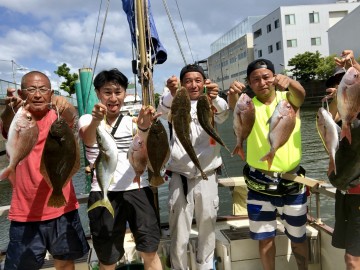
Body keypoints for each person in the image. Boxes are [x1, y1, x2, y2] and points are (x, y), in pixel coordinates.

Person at [0, 71, 90, 270]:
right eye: (31, 89)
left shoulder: (58, 119)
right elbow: (6, 125)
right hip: (25, 212)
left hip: (63, 209)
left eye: (43, 89)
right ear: (22, 94)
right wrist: (8, 109)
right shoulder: (18, 118)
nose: (38, 94)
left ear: (51, 93)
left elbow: (73, 120)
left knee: (66, 264)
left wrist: (66, 107)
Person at [227, 59, 308, 270]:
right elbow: (232, 104)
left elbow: (301, 94)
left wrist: (290, 82)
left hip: (292, 181)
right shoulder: (247, 105)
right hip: (258, 183)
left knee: (299, 238)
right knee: (265, 239)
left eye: (266, 77)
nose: (262, 82)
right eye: (255, 79)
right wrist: (233, 93)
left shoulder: (288, 100)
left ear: (274, 77)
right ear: (249, 83)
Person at [78, 68, 162, 270]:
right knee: (108, 258)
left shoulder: (132, 122)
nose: (113, 98)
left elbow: (145, 152)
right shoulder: (88, 120)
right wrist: (97, 120)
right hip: (103, 191)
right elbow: (88, 137)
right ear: (98, 93)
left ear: (125, 93)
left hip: (138, 189)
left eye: (118, 92)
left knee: (149, 249)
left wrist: (144, 128)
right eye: (107, 92)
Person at [157, 64, 229, 270]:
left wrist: (214, 96)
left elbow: (223, 113)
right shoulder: (174, 103)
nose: (193, 85)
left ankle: (205, 266)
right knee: (179, 229)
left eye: (198, 80)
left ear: (205, 82)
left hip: (208, 174)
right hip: (180, 176)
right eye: (187, 81)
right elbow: (162, 109)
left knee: (207, 224)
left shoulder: (212, 102)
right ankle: (179, 267)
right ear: (181, 84)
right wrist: (173, 92)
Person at [325, 49, 360, 270]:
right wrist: (336, 99)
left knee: (352, 260)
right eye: (336, 85)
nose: (340, 88)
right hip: (344, 193)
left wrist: (354, 65)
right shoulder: (335, 120)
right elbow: (332, 123)